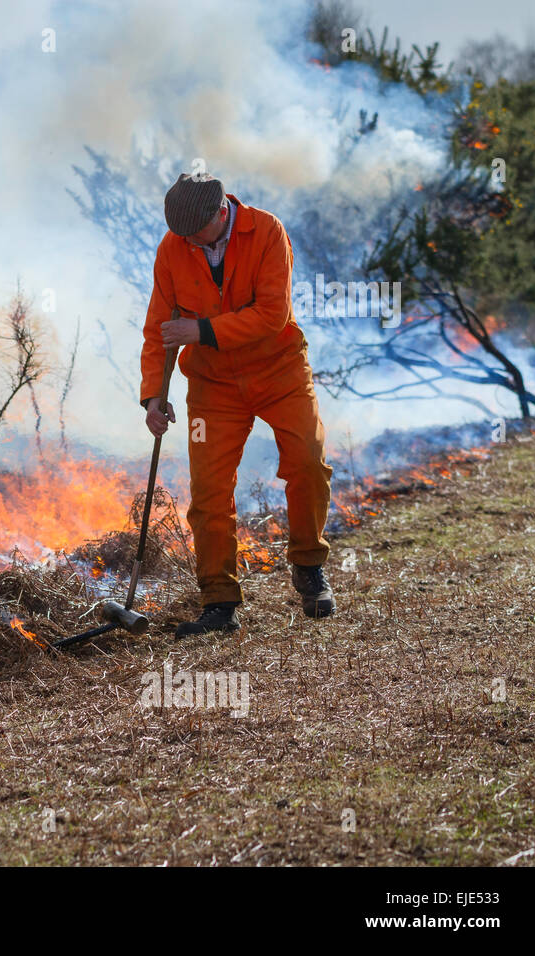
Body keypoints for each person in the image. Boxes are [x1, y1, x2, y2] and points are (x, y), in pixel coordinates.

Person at [140, 174, 334, 637]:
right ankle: (219, 603)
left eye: (192, 234)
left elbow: (273, 315)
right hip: (213, 385)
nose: (184, 242)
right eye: (179, 235)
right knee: (208, 492)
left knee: (307, 460)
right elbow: (158, 328)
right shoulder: (173, 248)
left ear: (219, 213)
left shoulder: (267, 231)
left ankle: (309, 567)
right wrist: (154, 394)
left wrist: (201, 331)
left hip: (279, 371)